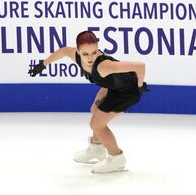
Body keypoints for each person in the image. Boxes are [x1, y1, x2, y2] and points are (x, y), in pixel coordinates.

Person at [28, 30, 149, 174]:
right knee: (95, 110)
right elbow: (63, 51)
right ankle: (97, 148)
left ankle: (116, 158)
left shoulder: (104, 66)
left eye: (94, 52)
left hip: (127, 93)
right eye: (85, 54)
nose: (90, 58)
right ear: (78, 51)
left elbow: (140, 66)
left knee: (96, 124)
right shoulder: (75, 55)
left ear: (97, 47)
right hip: (113, 87)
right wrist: (42, 64)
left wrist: (140, 86)